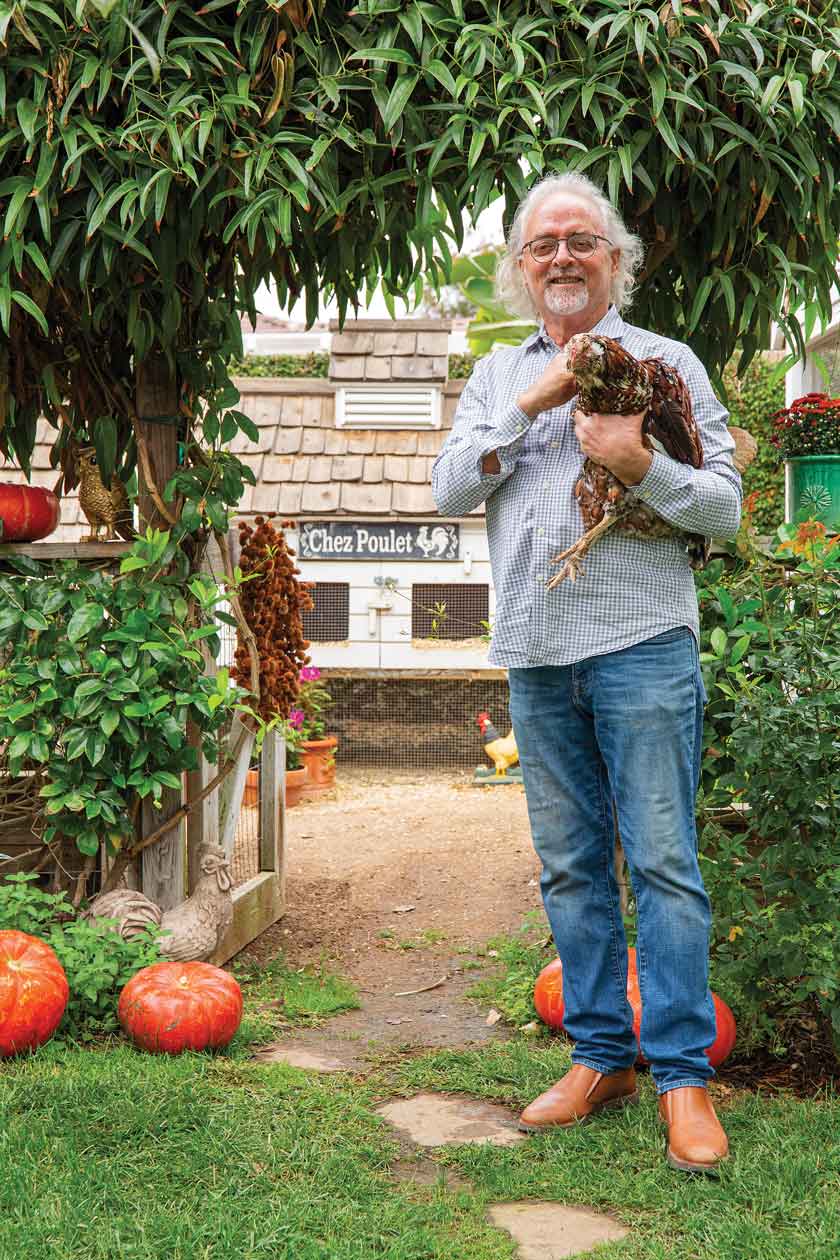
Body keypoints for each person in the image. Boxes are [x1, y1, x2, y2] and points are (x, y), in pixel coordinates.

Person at [431, 172, 741, 1174]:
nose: (561, 255)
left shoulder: (667, 363)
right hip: (536, 653)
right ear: (521, 270)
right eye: (542, 243)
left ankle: (683, 1078)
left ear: (617, 261)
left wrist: (638, 462)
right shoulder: (494, 376)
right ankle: (602, 1057)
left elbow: (727, 508)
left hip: (643, 644)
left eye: (582, 240)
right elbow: (446, 489)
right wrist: (535, 400)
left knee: (661, 866)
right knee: (570, 867)